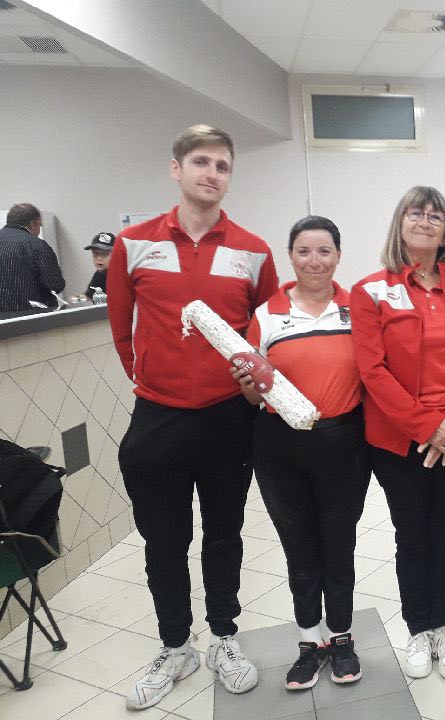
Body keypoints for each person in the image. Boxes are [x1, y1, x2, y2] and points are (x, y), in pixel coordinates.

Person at [108, 124, 279, 710]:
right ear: (176, 169)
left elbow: (266, 334)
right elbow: (120, 325)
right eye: (201, 162)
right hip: (158, 416)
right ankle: (175, 645)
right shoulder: (133, 244)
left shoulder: (254, 251)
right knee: (164, 540)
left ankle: (224, 638)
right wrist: (146, 375)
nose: (212, 173)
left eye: (223, 165)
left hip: (228, 419)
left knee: (225, 535)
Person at [351, 187, 445, 681]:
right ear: (400, 222)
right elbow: (373, 370)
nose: (427, 221)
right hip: (397, 440)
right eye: (417, 213)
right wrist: (427, 426)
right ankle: (418, 629)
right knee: (412, 535)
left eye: (437, 216)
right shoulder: (370, 290)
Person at [232, 216, 369, 690]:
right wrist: (249, 388)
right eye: (305, 251)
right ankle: (310, 643)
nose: (315, 261)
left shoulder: (359, 309)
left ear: (338, 255)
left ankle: (342, 637)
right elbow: (253, 394)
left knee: (339, 543)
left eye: (325, 251)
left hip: (344, 445)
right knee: (300, 549)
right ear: (290, 256)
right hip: (280, 447)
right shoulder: (268, 314)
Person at [0, 203, 65, 315]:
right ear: (33, 223)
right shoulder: (37, 245)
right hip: (34, 318)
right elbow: (56, 285)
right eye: (40, 225)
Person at [84, 231, 115, 300]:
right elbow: (89, 297)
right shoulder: (99, 275)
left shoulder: (124, 274)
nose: (99, 258)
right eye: (96, 253)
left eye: (106, 254)